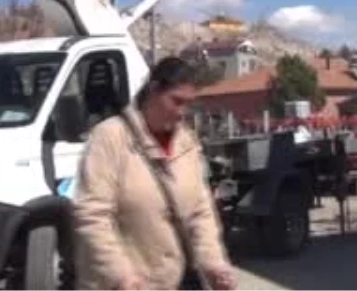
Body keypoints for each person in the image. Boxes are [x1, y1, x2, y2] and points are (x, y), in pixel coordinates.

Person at [73, 57, 237, 291]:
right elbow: (92, 215)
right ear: (153, 91)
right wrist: (120, 275)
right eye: (176, 101)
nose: (183, 112)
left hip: (180, 280)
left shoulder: (186, 141)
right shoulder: (110, 137)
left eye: (189, 104)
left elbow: (201, 211)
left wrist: (214, 264)